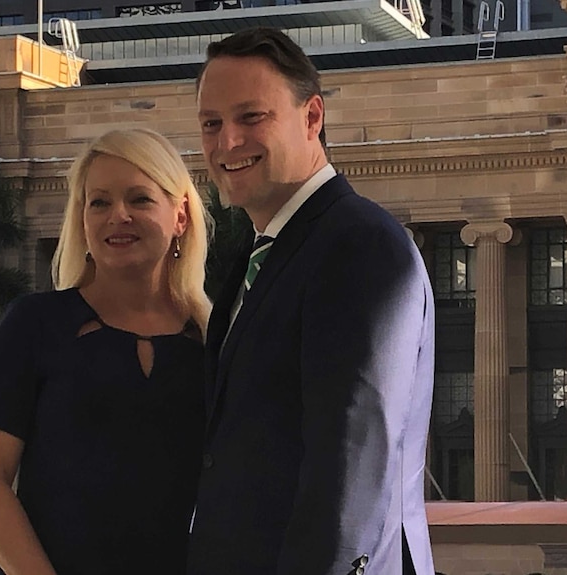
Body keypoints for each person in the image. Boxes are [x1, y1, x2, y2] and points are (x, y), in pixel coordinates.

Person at [188, 27, 435, 575]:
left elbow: (353, 465)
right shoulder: (263, 255)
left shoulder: (359, 244)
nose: (227, 142)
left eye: (251, 117)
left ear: (312, 117)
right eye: (212, 123)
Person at [0, 128, 212, 575]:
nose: (118, 215)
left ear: (181, 216)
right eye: (99, 202)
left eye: (139, 199)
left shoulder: (216, 340)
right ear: (81, 220)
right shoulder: (35, 324)